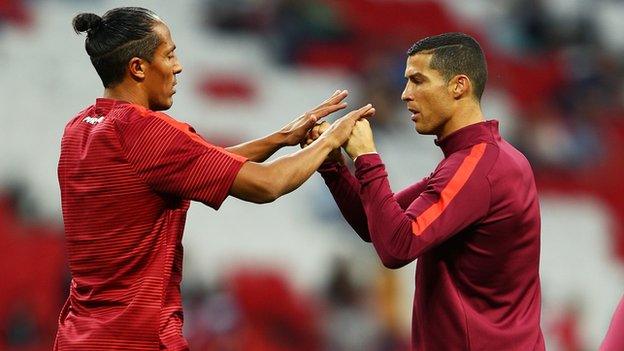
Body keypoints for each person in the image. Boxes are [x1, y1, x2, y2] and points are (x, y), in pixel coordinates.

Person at [55, 7, 374, 350]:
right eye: (170, 54)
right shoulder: (145, 133)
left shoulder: (78, 130)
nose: (178, 67)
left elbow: (200, 161)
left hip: (79, 336)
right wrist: (332, 140)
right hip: (137, 337)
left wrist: (281, 137)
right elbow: (268, 184)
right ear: (138, 67)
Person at [305, 32, 544, 350]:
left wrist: (367, 157)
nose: (405, 94)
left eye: (418, 80)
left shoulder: (479, 168)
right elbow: (372, 225)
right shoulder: (480, 160)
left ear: (459, 86)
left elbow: (396, 248)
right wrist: (333, 164)